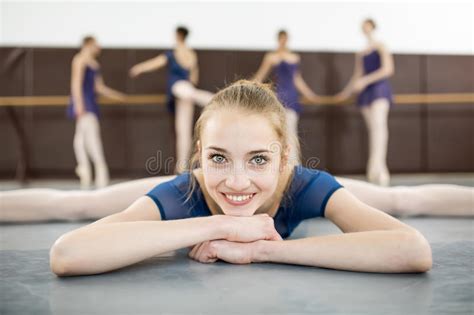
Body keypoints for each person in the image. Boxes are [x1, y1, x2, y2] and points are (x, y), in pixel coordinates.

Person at [45, 80, 435, 276]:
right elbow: (67, 254)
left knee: (402, 199)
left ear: (283, 158)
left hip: (284, 190)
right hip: (201, 199)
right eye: (219, 157)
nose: (236, 180)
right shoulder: (186, 191)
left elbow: (413, 250)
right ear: (199, 156)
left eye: (257, 159)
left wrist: (262, 249)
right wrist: (214, 226)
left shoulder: (304, 184)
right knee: (81, 203)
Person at [129, 26, 213, 173]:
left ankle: (210, 99)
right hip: (186, 90)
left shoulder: (173, 53)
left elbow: (155, 63)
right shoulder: (191, 54)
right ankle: (181, 167)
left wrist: (139, 68)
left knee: (184, 125)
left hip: (180, 88)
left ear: (178, 36)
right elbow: (194, 78)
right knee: (183, 131)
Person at [334, 18, 394, 186]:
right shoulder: (361, 53)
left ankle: (379, 169)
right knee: (373, 130)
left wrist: (366, 81)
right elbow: (357, 76)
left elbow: (388, 69)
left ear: (373, 27)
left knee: (379, 128)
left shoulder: (381, 45)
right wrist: (345, 93)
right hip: (366, 94)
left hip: (379, 90)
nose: (365, 29)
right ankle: (375, 169)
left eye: (367, 26)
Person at [253, 30, 321, 163]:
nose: (283, 41)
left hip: (292, 97)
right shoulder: (271, 57)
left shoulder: (294, 57)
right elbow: (260, 76)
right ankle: (280, 163)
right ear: (278, 39)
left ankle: (294, 165)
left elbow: (297, 79)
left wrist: (309, 94)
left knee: (291, 131)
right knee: (278, 132)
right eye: (281, 39)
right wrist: (246, 86)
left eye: (285, 39)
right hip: (279, 97)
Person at [68, 36, 126, 189]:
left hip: (89, 104)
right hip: (84, 103)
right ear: (88, 44)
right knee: (82, 139)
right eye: (96, 44)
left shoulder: (94, 64)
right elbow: (76, 83)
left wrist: (117, 95)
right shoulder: (79, 59)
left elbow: (99, 88)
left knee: (84, 139)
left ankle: (91, 171)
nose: (98, 47)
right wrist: (79, 105)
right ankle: (89, 170)